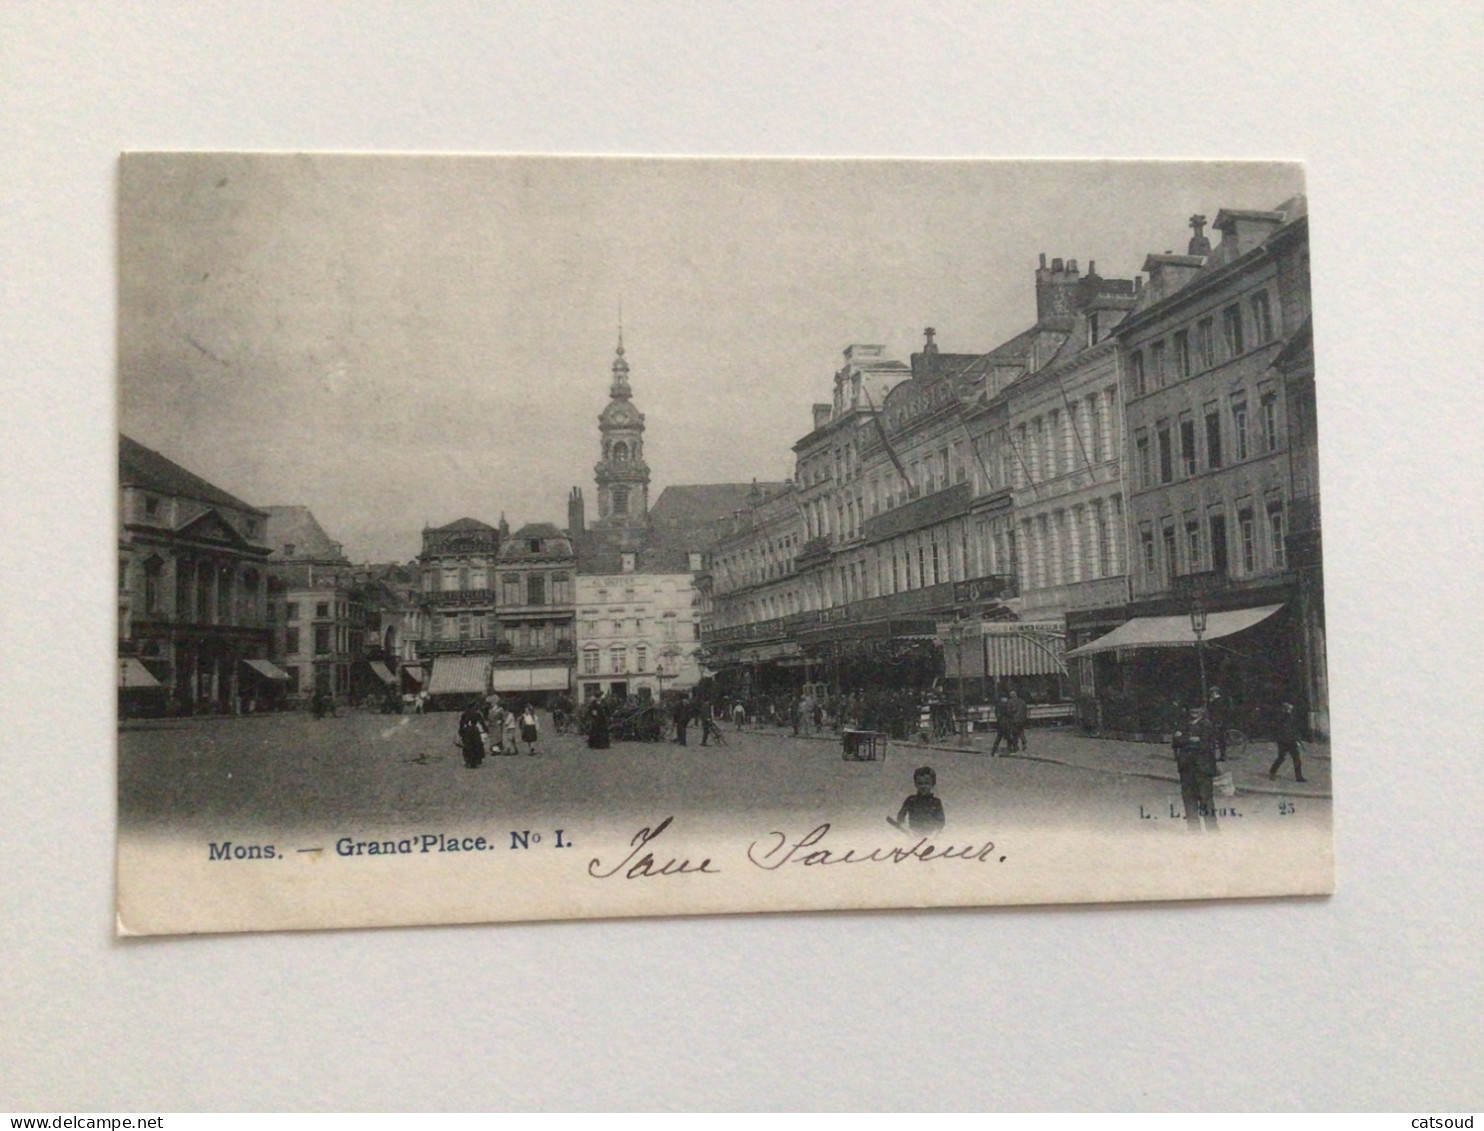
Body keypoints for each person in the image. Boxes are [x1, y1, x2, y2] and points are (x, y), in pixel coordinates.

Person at [1172, 705, 1219, 831]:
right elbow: (1175, 742)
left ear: (1202, 710)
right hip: (1186, 767)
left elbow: (1204, 745)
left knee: (1206, 799)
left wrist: (1184, 739)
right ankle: (1194, 831)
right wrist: (1192, 740)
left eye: (1197, 708)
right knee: (1189, 799)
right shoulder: (1182, 724)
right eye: (1192, 708)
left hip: (1202, 768)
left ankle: (1212, 830)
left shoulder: (1207, 726)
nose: (1194, 711)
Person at [894, 766, 946, 835]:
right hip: (912, 835)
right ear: (915, 784)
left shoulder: (936, 802)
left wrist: (934, 834)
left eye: (927, 783)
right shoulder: (911, 800)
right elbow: (901, 817)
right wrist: (906, 829)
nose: (923, 786)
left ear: (932, 784)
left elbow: (941, 822)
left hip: (930, 837)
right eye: (920, 783)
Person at [1269, 701, 1307, 782]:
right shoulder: (1281, 717)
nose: (1290, 709)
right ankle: (1272, 772)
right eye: (1289, 708)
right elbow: (1279, 728)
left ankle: (1298, 777)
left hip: (1291, 740)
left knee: (1296, 759)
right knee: (1281, 758)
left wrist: (1297, 739)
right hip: (1283, 741)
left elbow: (1294, 729)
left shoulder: (1292, 717)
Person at [457, 703, 487, 769]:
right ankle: (476, 760)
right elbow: (482, 722)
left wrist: (460, 731)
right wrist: (485, 729)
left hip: (466, 730)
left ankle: (468, 760)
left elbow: (461, 723)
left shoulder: (464, 714)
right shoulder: (476, 714)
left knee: (467, 745)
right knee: (476, 744)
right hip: (474, 730)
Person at [1207, 686, 1231, 761]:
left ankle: (1221, 755)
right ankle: (1220, 755)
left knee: (1218, 738)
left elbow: (1217, 712)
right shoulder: (1220, 700)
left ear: (1214, 693)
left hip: (1219, 722)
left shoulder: (1218, 701)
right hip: (1219, 721)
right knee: (1218, 739)